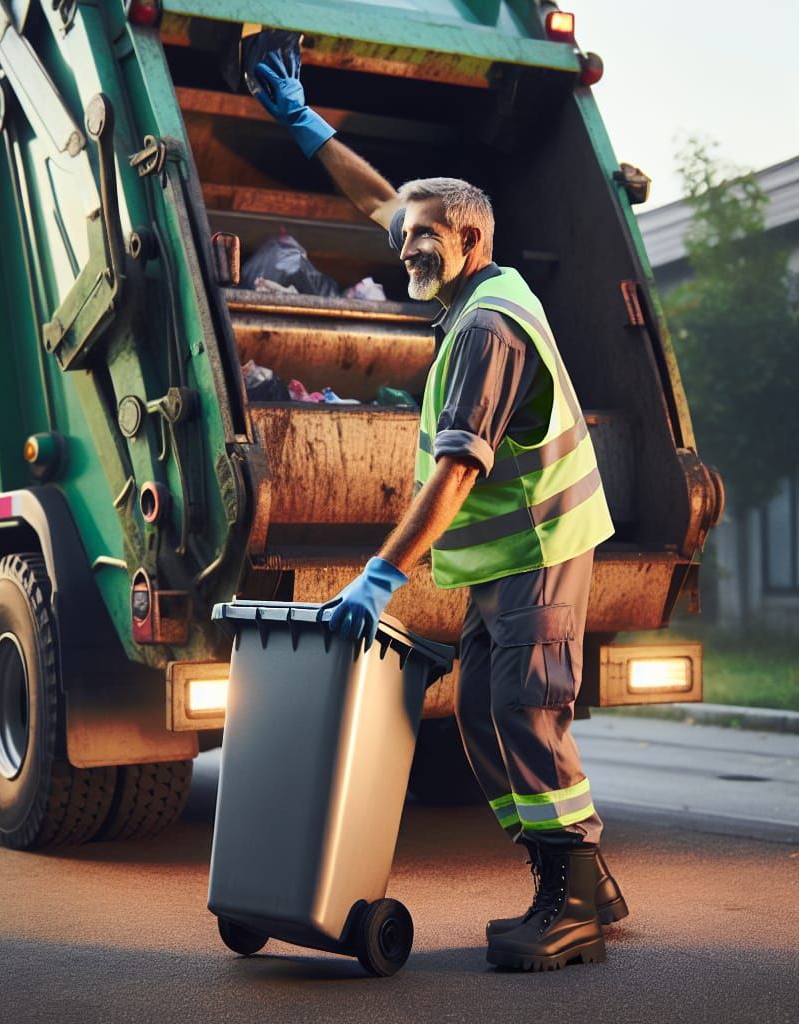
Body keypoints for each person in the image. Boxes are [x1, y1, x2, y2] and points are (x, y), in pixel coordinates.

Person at [253, 48, 629, 971]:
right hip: (509, 560)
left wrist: (380, 578)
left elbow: (456, 475)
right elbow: (380, 198)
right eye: (404, 234)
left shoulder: (484, 328)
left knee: (524, 712)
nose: (405, 245)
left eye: (425, 236)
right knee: (482, 717)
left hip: (535, 549)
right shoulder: (470, 286)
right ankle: (583, 880)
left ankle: (573, 904)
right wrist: (306, 125)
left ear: (472, 240)